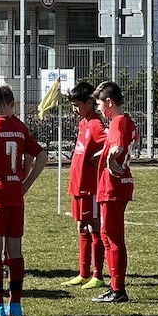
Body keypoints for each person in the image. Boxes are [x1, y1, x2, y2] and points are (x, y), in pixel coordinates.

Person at [0, 83, 47, 316]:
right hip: (16, 195)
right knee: (14, 250)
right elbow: (42, 155)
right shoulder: (19, 127)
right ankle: (16, 305)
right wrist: (25, 184)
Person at [92, 80, 136, 304]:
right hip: (117, 184)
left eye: (99, 103)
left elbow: (118, 147)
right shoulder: (124, 121)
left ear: (109, 102)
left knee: (112, 237)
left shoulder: (118, 122)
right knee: (108, 235)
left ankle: (118, 289)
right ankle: (115, 286)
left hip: (113, 186)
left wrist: (110, 157)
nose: (98, 108)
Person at [64, 81, 107, 291]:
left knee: (93, 227)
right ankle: (83, 273)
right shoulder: (83, 123)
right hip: (78, 184)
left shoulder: (97, 124)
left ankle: (98, 274)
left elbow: (111, 145)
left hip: (90, 186)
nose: (74, 109)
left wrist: (97, 160)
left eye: (77, 104)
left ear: (89, 103)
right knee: (81, 226)